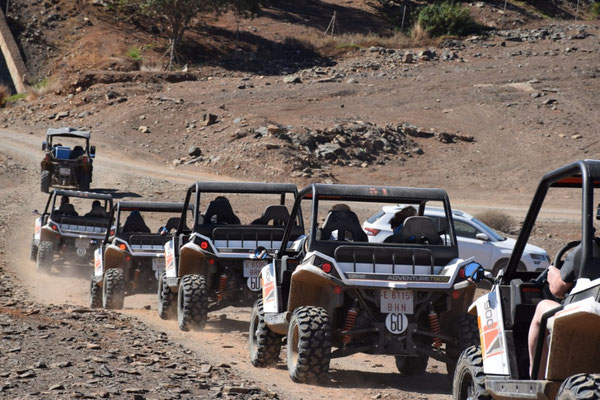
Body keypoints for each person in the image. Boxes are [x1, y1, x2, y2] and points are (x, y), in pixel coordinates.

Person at [527, 244, 580, 379]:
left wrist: (553, 274)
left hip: (588, 312)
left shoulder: (589, 250)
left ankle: (537, 379)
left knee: (541, 307)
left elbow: (558, 289)